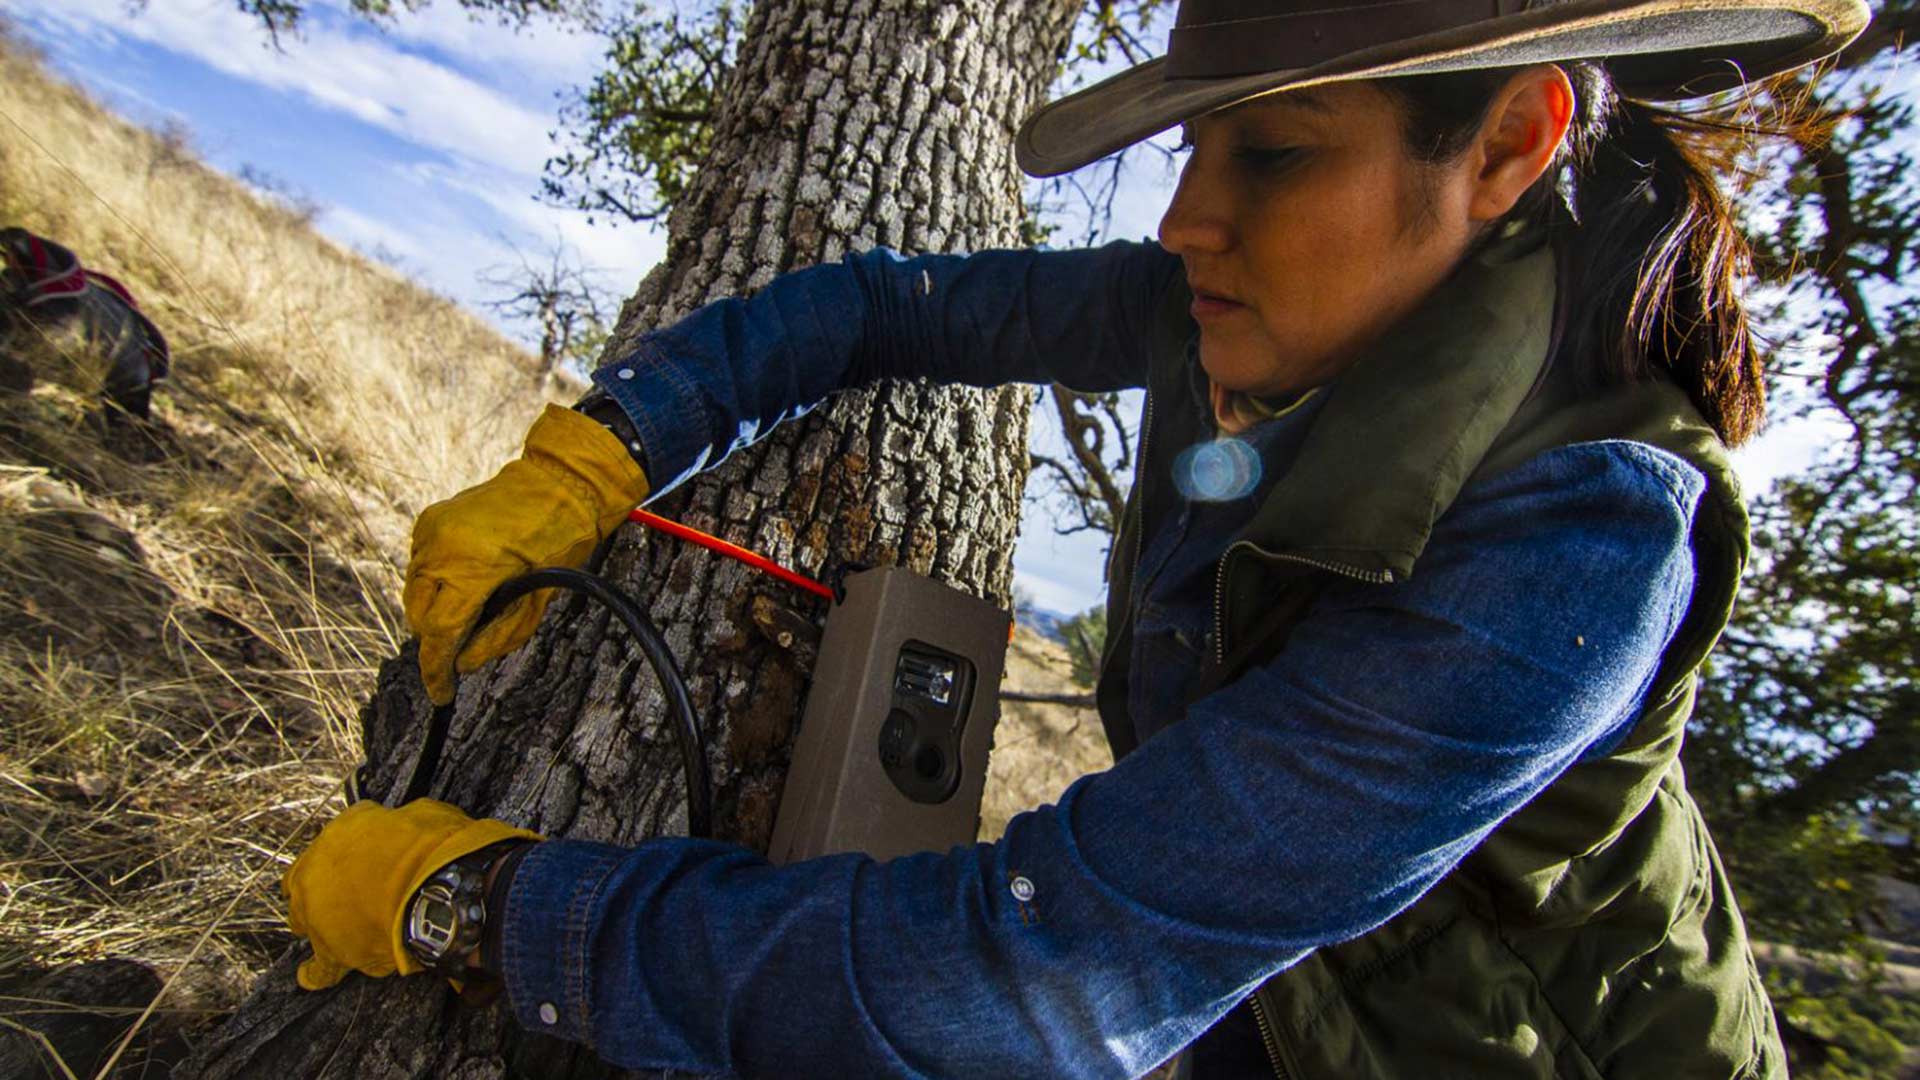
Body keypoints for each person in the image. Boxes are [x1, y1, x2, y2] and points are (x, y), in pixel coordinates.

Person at [279, 0, 1870, 1075]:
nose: (1186, 216)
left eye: (1277, 149)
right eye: (1192, 150)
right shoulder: (1224, 314)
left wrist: (488, 907)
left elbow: (1038, 977)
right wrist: (596, 454)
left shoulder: (1587, 536)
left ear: (1510, 145)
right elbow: (889, 305)